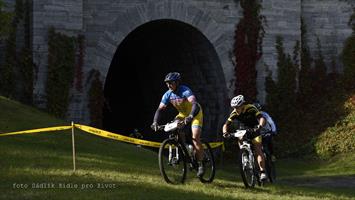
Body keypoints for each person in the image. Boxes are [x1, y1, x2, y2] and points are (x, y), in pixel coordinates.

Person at [151, 72, 205, 177]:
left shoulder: (185, 90)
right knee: (174, 128)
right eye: (167, 83)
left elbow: (194, 104)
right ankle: (185, 150)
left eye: (170, 83)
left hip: (195, 113)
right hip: (182, 114)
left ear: (177, 82)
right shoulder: (167, 94)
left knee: (195, 137)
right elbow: (160, 109)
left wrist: (190, 116)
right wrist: (155, 122)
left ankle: (200, 164)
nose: (168, 85)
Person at [222, 95, 268, 181]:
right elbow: (226, 124)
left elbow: (261, 118)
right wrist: (225, 132)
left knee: (257, 147)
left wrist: (260, 126)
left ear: (242, 105)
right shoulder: (234, 113)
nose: (235, 109)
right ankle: (244, 154)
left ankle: (263, 172)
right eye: (234, 107)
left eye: (237, 107)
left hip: (254, 127)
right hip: (243, 128)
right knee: (240, 137)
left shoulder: (250, 108)